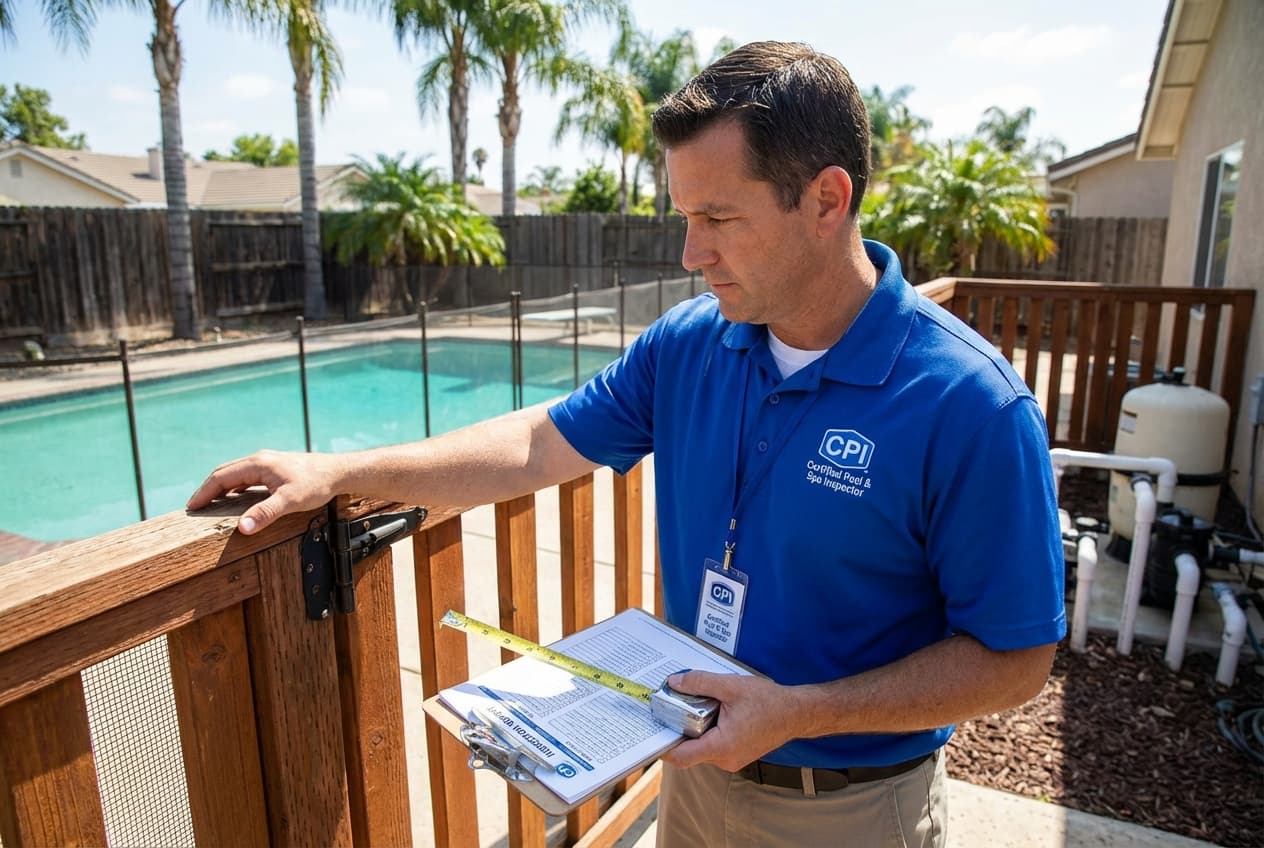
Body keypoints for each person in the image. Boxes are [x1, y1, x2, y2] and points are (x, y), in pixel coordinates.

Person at [188, 41, 1065, 848]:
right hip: (692, 778)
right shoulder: (689, 344)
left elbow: (1015, 659)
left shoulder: (973, 406)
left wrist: (800, 712)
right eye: (684, 216)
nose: (690, 253)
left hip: (851, 811)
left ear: (826, 201)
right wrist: (343, 469)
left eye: (717, 217)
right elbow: (538, 444)